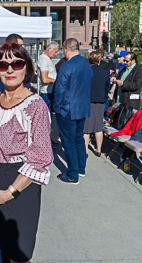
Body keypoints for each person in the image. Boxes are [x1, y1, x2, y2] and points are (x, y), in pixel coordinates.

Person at [0, 42, 53, 263]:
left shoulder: (36, 106)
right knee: (2, 245)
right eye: (3, 65)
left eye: (16, 63)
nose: (10, 69)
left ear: (26, 67)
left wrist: (9, 193)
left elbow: (38, 159)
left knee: (20, 256)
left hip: (20, 183)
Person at [53, 38, 92, 184]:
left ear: (66, 49)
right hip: (81, 108)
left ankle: (72, 175)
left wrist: (56, 108)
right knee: (78, 140)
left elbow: (59, 89)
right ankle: (81, 169)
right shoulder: (87, 65)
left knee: (68, 143)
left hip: (67, 109)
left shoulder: (67, 66)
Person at [83, 51, 110, 157]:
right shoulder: (105, 73)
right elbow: (107, 88)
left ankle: (85, 151)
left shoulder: (86, 72)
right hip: (100, 101)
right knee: (98, 127)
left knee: (86, 129)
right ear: (99, 60)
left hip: (87, 101)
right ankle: (98, 150)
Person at [37, 41, 59, 110]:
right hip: (47, 93)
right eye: (55, 52)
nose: (56, 54)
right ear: (49, 49)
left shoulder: (47, 59)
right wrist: (57, 81)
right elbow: (45, 79)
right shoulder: (44, 59)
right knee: (48, 116)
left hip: (49, 91)